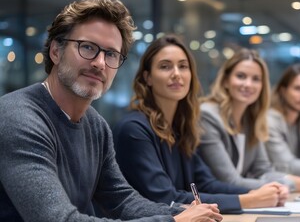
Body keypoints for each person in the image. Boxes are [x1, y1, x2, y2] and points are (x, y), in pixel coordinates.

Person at [0, 0, 221, 222]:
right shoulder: (18, 117)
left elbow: (121, 200)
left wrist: (183, 212)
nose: (100, 63)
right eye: (87, 47)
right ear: (56, 51)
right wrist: (174, 221)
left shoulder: (95, 125)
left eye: (111, 54)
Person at [113, 34, 287, 214]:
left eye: (183, 66)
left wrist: (256, 193)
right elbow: (166, 198)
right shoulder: (133, 129)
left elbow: (206, 183)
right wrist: (248, 200)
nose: (176, 74)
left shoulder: (180, 127)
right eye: (165, 66)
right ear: (147, 77)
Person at [198, 49, 300, 192]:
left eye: (256, 79)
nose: (248, 84)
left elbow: (264, 171)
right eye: (241, 76)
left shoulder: (251, 120)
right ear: (225, 81)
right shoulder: (208, 115)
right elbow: (230, 181)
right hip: (213, 207)